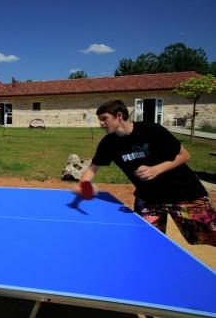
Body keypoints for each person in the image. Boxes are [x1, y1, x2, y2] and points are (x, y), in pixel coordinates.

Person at [76, 99, 215, 246]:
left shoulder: (151, 130)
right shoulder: (108, 143)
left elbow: (184, 155)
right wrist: (83, 184)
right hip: (149, 200)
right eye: (100, 120)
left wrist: (156, 169)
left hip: (185, 195)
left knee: (211, 237)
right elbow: (93, 168)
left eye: (104, 119)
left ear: (119, 116)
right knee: (146, 243)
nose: (101, 124)